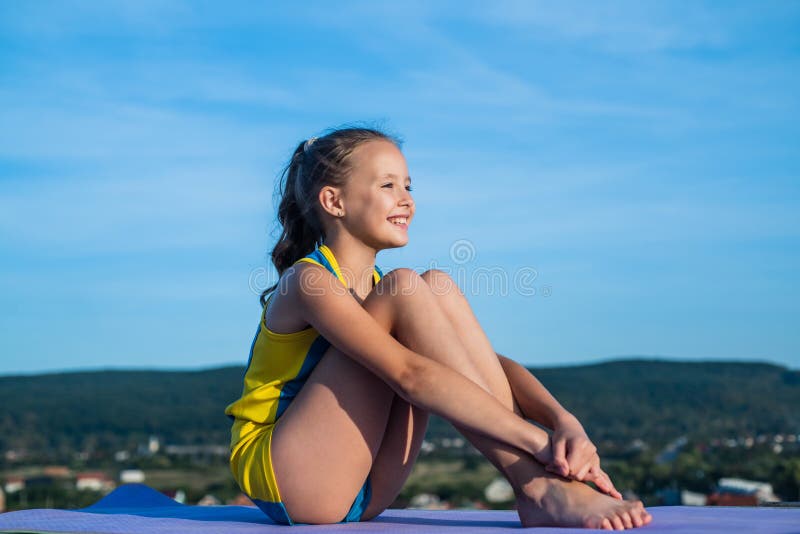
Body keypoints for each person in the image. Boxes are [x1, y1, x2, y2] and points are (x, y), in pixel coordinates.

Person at [225, 127, 652, 530]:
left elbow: (489, 366)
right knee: (407, 287)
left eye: (408, 186)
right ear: (334, 202)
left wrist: (564, 423)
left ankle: (540, 488)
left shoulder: (382, 295)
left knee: (437, 287)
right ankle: (538, 486)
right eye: (388, 185)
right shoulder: (308, 281)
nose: (406, 199)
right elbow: (409, 375)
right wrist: (541, 447)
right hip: (289, 479)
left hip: (365, 486)